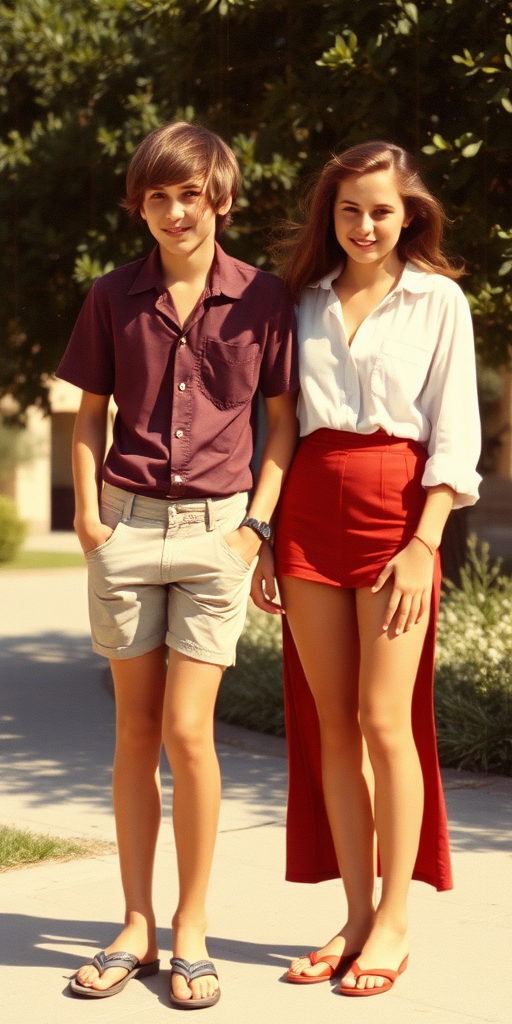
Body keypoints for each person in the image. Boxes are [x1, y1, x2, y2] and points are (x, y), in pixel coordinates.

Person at [56, 121, 298, 1008]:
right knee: (133, 734)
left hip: (217, 534)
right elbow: (88, 416)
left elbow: (283, 425)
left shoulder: (264, 300)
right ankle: (136, 924)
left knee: (188, 734)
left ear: (219, 200)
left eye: (188, 195)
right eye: (156, 197)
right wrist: (88, 518)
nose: (172, 211)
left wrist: (254, 531)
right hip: (126, 526)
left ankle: (191, 924)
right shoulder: (110, 297)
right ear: (141, 207)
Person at [270, 141, 481, 996]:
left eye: (382, 210)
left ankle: (395, 916)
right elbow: (278, 426)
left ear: (409, 214)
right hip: (309, 517)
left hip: (399, 515)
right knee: (332, 726)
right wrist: (265, 532)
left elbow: (455, 434)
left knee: (386, 720)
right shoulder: (297, 302)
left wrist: (424, 542)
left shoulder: (440, 301)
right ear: (331, 213)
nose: (364, 225)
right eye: (350, 209)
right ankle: (355, 914)